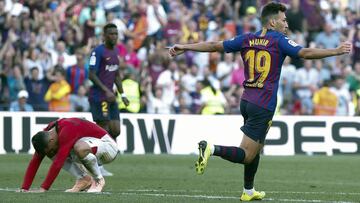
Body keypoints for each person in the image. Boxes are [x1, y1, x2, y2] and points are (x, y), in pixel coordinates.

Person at [168, 2, 352, 201]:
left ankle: (248, 191)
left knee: (256, 147)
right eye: (283, 20)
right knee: (247, 154)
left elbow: (214, 46)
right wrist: (336, 51)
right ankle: (212, 148)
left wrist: (185, 46)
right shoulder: (279, 40)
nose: (286, 24)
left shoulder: (247, 38)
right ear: (272, 22)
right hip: (263, 105)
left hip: (247, 101)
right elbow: (304, 53)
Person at [20, 118, 119, 193]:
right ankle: (84, 179)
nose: (50, 152)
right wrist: (25, 188)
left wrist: (43, 188)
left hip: (109, 148)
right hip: (91, 149)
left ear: (51, 140)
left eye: (50, 149)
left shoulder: (66, 131)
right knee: (56, 152)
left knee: (78, 148)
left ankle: (98, 180)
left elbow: (58, 163)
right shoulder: (47, 134)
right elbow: (35, 160)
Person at [88, 23, 129, 176]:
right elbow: (91, 75)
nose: (114, 36)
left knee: (116, 130)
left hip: (111, 97)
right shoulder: (97, 52)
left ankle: (96, 157)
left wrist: (122, 94)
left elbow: (116, 75)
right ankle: (96, 165)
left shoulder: (115, 52)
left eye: (116, 34)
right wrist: (106, 91)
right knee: (103, 129)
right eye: (111, 34)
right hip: (99, 97)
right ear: (105, 36)